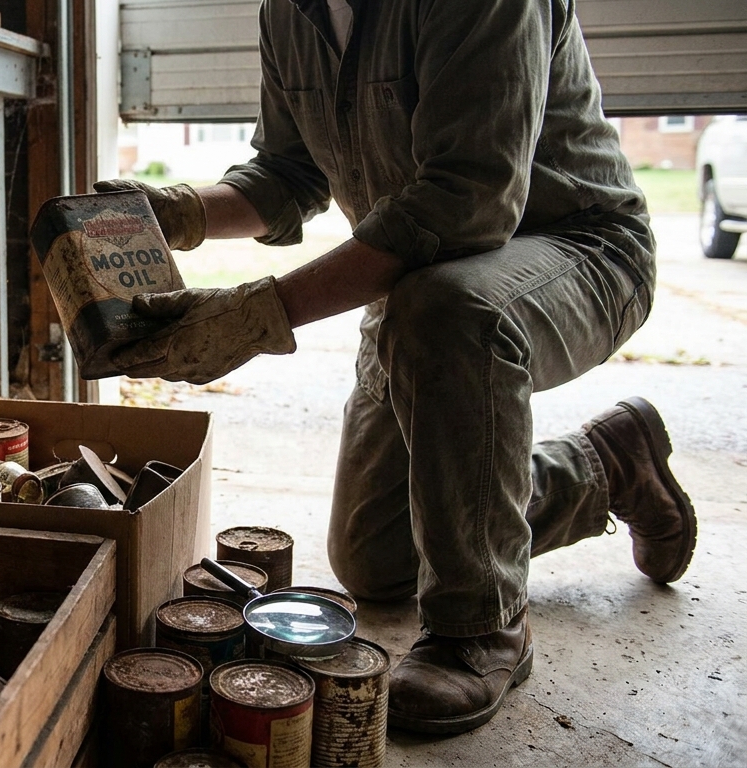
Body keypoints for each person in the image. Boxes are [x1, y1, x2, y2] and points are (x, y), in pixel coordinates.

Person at [96, 0, 697, 734]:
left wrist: (259, 316)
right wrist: (176, 213)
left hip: (579, 249)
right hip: (422, 282)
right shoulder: (290, 11)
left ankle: (482, 629)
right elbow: (288, 173)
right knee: (376, 558)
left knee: (451, 313)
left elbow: (467, 201)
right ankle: (605, 466)